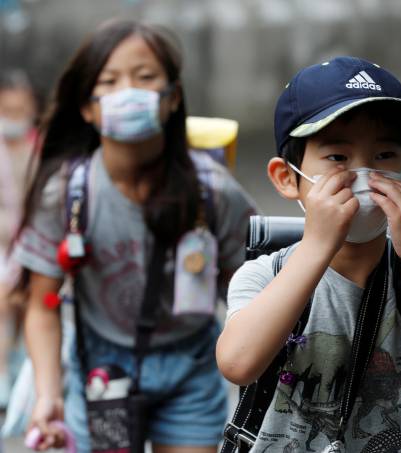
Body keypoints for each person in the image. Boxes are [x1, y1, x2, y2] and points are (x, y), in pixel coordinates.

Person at [216, 56, 401, 452]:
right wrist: (318, 245)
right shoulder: (265, 275)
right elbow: (238, 363)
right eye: (338, 158)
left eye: (384, 157)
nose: (363, 175)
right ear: (287, 178)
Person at [11, 19, 257, 452]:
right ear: (87, 107)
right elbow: (42, 305)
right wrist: (49, 394)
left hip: (191, 371)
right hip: (99, 375)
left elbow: (249, 296)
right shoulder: (67, 195)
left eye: (144, 77)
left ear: (172, 97)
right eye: (109, 80)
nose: (128, 91)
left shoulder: (214, 193)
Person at [0, 69, 39, 409]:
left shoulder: (39, 149)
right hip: (2, 244)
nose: (14, 119)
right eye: (7, 111)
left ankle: (29, 373)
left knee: (31, 302)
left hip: (32, 242)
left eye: (20, 111)